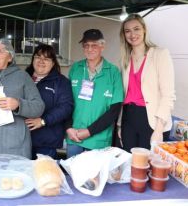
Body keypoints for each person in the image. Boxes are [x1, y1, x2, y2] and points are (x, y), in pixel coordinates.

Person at [118, 14, 175, 152]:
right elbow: (123, 95)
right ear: (124, 35)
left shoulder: (160, 54)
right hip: (128, 118)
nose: (132, 34)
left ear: (144, 30)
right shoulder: (124, 59)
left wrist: (159, 130)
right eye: (127, 31)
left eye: (136, 29)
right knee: (129, 165)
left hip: (152, 121)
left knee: (148, 167)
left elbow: (168, 95)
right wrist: (120, 125)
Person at [66, 29, 124, 157]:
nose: (89, 49)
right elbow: (66, 102)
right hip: (74, 136)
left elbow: (114, 110)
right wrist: (68, 128)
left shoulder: (113, 72)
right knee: (73, 175)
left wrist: (89, 131)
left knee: (95, 177)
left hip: (98, 140)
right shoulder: (76, 68)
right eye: (86, 45)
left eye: (94, 45)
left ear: (102, 46)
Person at [25, 44, 74, 159]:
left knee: (43, 175)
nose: (41, 61)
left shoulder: (61, 82)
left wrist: (43, 121)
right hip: (21, 140)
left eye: (46, 59)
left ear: (53, 63)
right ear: (33, 59)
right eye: (38, 57)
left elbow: (66, 107)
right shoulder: (23, 78)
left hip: (46, 141)